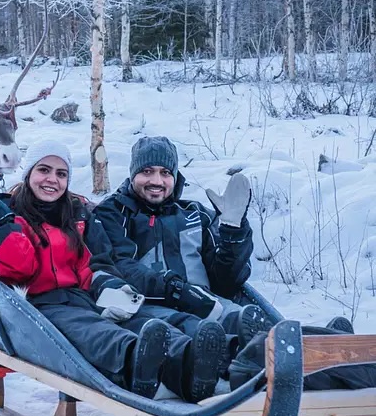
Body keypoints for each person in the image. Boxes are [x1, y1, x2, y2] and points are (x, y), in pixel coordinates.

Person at [0, 141, 227, 402]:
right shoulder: (8, 216)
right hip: (40, 306)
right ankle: (137, 367)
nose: (53, 179)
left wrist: (107, 286)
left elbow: (97, 261)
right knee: (97, 332)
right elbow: (19, 271)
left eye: (61, 174)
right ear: (28, 174)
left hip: (85, 296)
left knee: (144, 321)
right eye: (44, 170)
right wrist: (0, 222)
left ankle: (194, 367)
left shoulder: (78, 214)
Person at [93, 136, 354, 383]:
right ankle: (290, 367)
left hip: (210, 301)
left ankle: (331, 348)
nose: (157, 180)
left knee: (253, 324)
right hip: (151, 306)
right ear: (132, 174)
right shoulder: (114, 213)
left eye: (165, 173)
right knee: (218, 333)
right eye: (147, 172)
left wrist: (233, 234)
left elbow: (227, 282)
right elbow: (121, 265)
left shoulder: (195, 214)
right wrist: (177, 289)